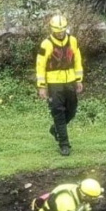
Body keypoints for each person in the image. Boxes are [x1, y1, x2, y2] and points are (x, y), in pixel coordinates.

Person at [35, 14, 84, 157]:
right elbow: (40, 65)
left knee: (72, 110)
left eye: (62, 30)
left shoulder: (73, 41)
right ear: (52, 29)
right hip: (54, 84)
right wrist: (42, 86)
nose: (60, 33)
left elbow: (78, 60)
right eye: (57, 30)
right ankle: (64, 144)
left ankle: (55, 129)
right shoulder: (46, 44)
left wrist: (79, 79)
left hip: (70, 81)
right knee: (58, 113)